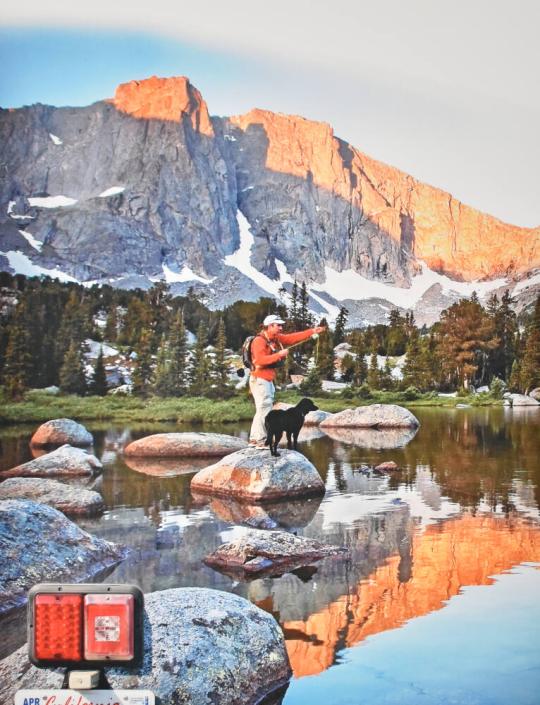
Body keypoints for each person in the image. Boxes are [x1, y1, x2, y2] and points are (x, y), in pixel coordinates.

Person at [248, 314, 326, 447]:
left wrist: (312, 331)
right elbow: (259, 360)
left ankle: (261, 439)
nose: (281, 327)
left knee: (266, 408)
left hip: (267, 380)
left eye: (281, 325)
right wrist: (278, 355)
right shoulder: (259, 341)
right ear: (270, 326)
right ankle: (257, 440)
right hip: (259, 379)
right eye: (278, 325)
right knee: (263, 409)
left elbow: (292, 338)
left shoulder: (275, 338)